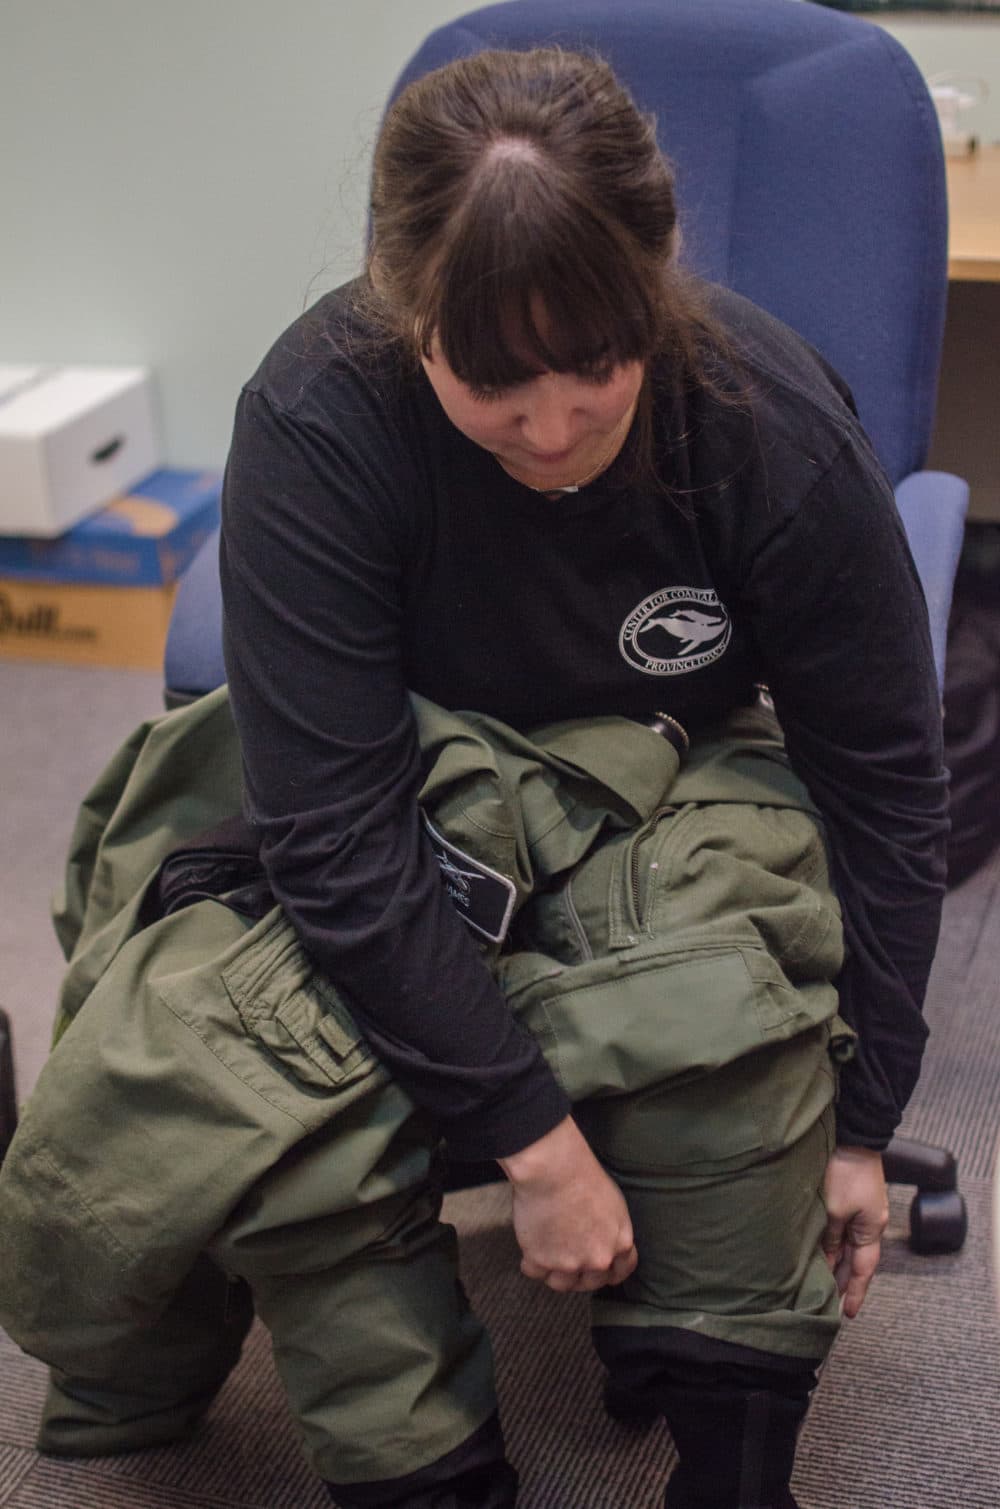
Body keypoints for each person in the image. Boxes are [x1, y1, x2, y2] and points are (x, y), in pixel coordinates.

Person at [0, 46, 946, 1509]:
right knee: (248, 1078)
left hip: (670, 769)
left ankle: (719, 1411)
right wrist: (539, 1145)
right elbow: (333, 835)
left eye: (602, 367)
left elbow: (886, 791)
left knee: (736, 1036)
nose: (554, 429)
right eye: (491, 380)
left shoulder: (769, 427)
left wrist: (869, 1120)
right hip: (403, 783)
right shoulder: (319, 416)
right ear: (404, 305)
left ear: (659, 280)